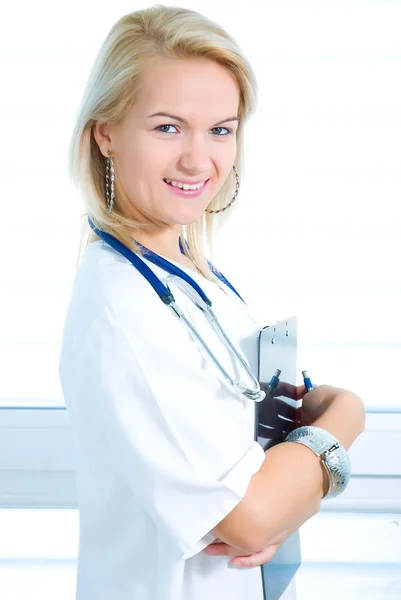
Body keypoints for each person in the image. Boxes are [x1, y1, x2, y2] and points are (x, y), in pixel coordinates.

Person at [58, 6, 366, 600]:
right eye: (169, 127)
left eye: (220, 129)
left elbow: (270, 478)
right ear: (106, 131)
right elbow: (248, 517)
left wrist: (288, 496)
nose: (200, 161)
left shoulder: (191, 275)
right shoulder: (124, 311)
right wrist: (349, 415)